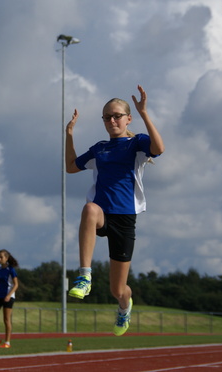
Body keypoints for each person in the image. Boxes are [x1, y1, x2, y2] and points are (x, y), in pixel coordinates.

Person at [66, 85, 165, 336]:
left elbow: (159, 149)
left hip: (124, 219)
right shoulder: (99, 148)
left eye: (117, 116)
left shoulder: (136, 144)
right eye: (107, 117)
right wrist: (69, 134)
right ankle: (84, 276)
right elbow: (70, 167)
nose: (112, 120)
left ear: (127, 118)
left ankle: (124, 307)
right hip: (102, 213)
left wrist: (144, 113)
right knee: (89, 209)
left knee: (117, 290)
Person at [0, 249, 19, 349]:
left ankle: (7, 342)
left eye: (1, 257)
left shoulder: (11, 270)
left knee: (6, 320)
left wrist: (9, 295)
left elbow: (16, 285)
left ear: (6, 258)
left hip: (8, 297)